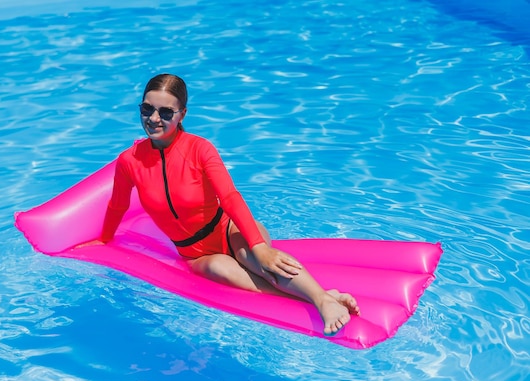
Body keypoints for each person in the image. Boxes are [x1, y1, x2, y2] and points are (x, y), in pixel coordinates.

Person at [85, 74, 359, 335]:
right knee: (221, 269)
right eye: (146, 109)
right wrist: (105, 241)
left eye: (166, 112)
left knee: (259, 263)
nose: (154, 118)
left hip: (229, 230)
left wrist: (260, 248)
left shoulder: (199, 148)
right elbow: (117, 205)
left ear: (182, 114)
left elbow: (229, 196)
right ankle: (324, 297)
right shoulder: (130, 161)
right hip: (195, 254)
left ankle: (322, 301)